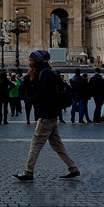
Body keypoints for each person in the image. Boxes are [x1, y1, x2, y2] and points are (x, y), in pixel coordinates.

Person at [12, 50, 80, 182]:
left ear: (37, 61)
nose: (29, 62)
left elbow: (43, 92)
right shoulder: (42, 72)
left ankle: (28, 172)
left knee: (36, 144)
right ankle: (73, 169)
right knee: (57, 145)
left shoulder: (46, 73)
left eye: (31, 59)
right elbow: (32, 92)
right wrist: (28, 79)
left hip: (47, 113)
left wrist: (32, 79)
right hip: (49, 113)